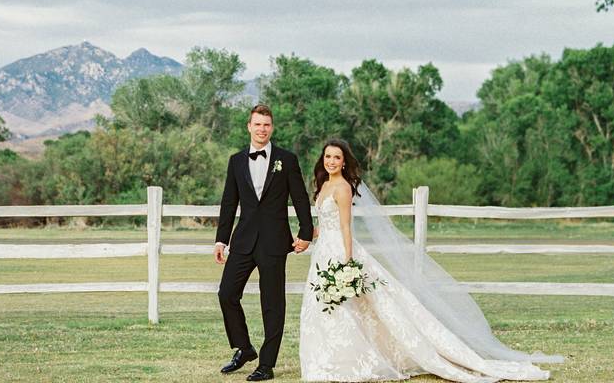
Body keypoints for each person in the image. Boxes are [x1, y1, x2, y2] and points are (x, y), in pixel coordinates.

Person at [299, 138, 559, 382]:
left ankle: (351, 363)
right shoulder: (322, 185)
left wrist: (346, 262)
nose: (331, 161)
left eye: (336, 157)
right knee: (328, 307)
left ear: (344, 162)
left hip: (340, 253)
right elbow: (325, 225)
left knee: (360, 307)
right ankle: (329, 360)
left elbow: (346, 227)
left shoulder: (343, 188)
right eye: (328, 156)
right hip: (323, 252)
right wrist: (303, 236)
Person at [215, 104, 314, 381]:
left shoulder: (287, 159)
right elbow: (228, 203)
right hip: (243, 240)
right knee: (226, 294)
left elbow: (300, 197)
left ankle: (267, 364)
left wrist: (305, 232)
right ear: (249, 126)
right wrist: (221, 240)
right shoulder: (236, 161)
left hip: (273, 241)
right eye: (257, 124)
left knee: (272, 303)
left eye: (266, 125)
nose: (262, 129)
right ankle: (244, 348)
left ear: (272, 128)